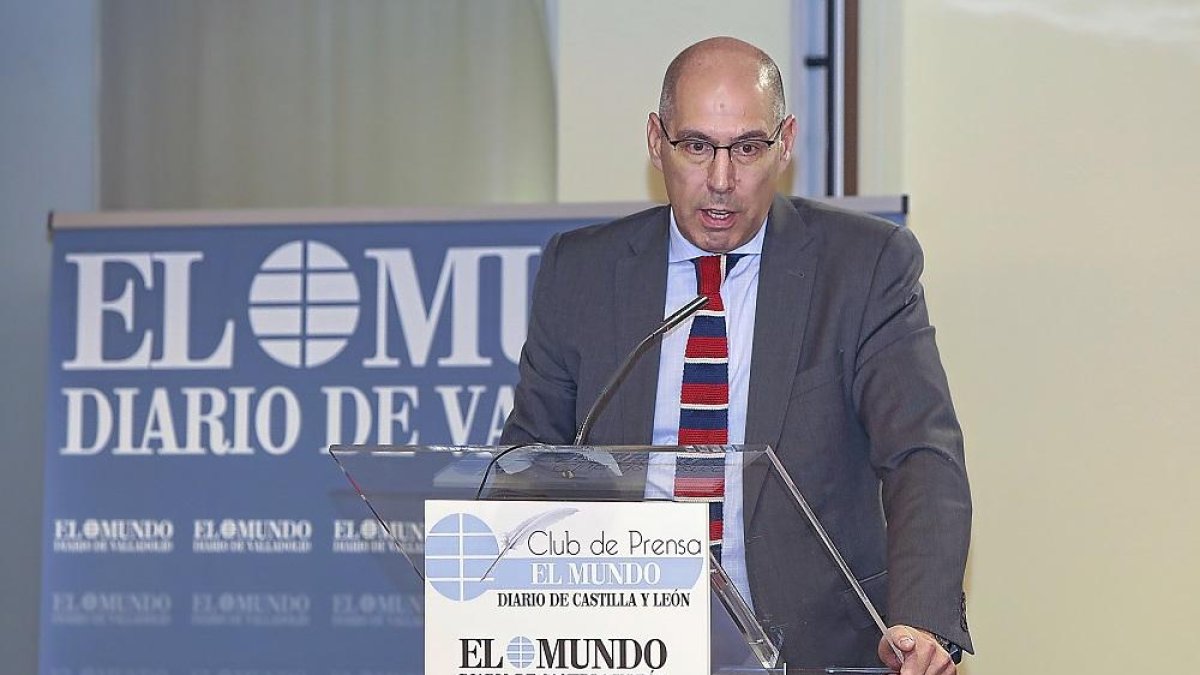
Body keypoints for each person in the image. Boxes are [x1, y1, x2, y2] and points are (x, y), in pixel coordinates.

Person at [501, 36, 972, 674]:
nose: (721, 181)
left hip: (810, 650)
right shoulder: (580, 272)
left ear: (786, 142)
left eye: (747, 148)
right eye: (696, 146)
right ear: (655, 140)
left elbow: (921, 452)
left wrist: (919, 618)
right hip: (620, 646)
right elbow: (530, 463)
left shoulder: (863, 267)